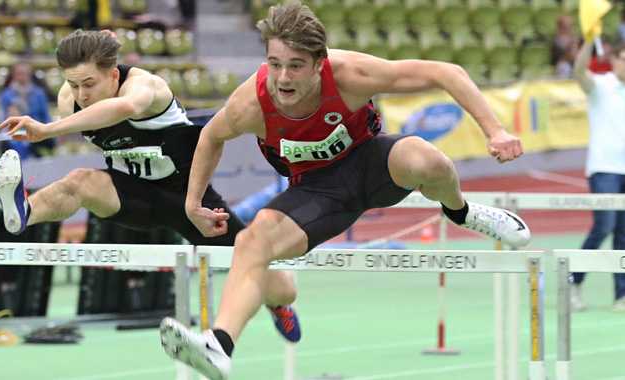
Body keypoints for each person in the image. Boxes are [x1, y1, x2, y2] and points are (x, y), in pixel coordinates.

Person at [158, 2, 531, 379]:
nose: (283, 78)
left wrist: (494, 130)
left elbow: (446, 72)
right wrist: (193, 203)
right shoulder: (250, 104)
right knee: (250, 242)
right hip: (316, 193)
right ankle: (220, 346)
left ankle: (462, 212)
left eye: (296, 65)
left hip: (371, 164)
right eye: (274, 64)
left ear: (320, 63)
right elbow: (210, 137)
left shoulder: (351, 75)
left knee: (426, 159)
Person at [0, 29, 301, 342]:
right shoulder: (68, 100)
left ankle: (278, 305)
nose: (81, 95)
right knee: (79, 180)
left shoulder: (146, 86)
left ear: (114, 75)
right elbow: (85, 93)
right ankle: (24, 211)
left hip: (189, 201)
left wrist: (48, 130)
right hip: (132, 195)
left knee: (281, 287)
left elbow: (125, 109)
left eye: (89, 84)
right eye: (73, 85)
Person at [571, 39, 625, 312]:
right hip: (604, 169)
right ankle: (573, 282)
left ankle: (621, 296)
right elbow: (580, 71)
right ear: (613, 59)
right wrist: (588, 44)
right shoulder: (600, 86)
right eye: (624, 58)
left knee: (624, 235)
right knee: (603, 226)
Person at [0, 60, 55, 159]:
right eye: (20, 73)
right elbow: (3, 119)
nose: (22, 77)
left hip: (37, 134)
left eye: (25, 74)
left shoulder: (39, 93)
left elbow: (46, 115)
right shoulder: (7, 95)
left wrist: (49, 131)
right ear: (14, 75)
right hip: (17, 136)